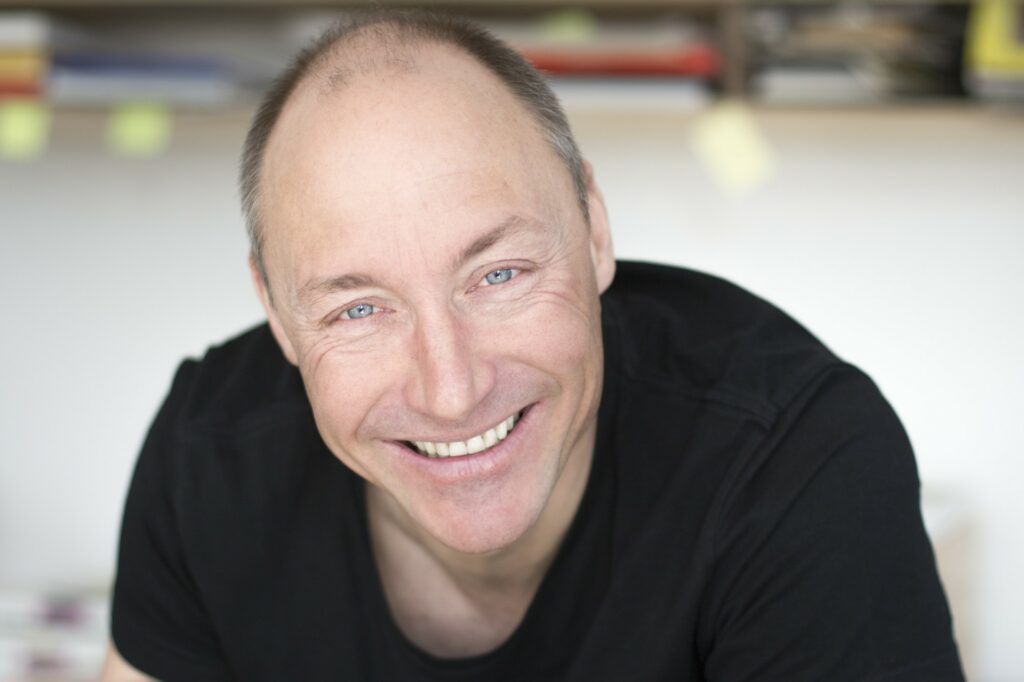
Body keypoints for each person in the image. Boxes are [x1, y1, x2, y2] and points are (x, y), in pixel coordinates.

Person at [100, 10, 964, 682]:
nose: (450, 389)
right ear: (277, 314)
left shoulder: (796, 455)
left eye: (499, 275)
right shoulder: (207, 453)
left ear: (594, 230)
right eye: (359, 309)